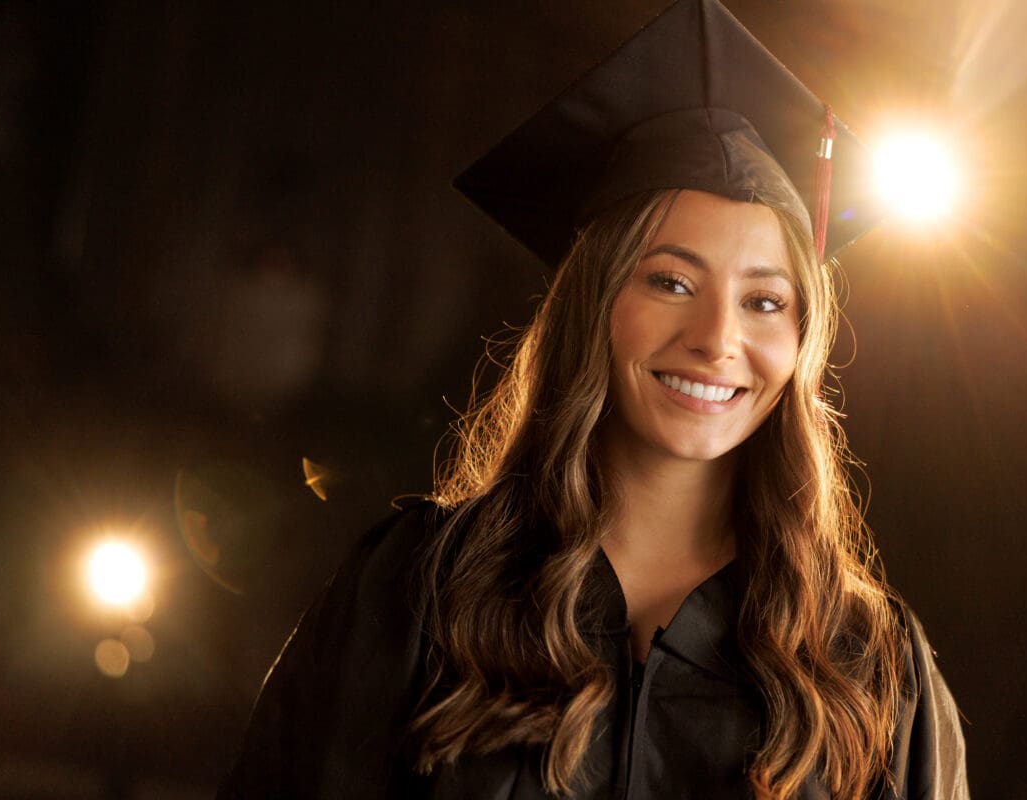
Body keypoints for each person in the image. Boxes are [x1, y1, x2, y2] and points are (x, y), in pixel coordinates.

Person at [218, 1, 969, 797]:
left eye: (764, 301)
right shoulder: (425, 589)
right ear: (595, 303)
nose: (717, 338)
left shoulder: (865, 660)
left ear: (801, 339)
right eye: (670, 281)